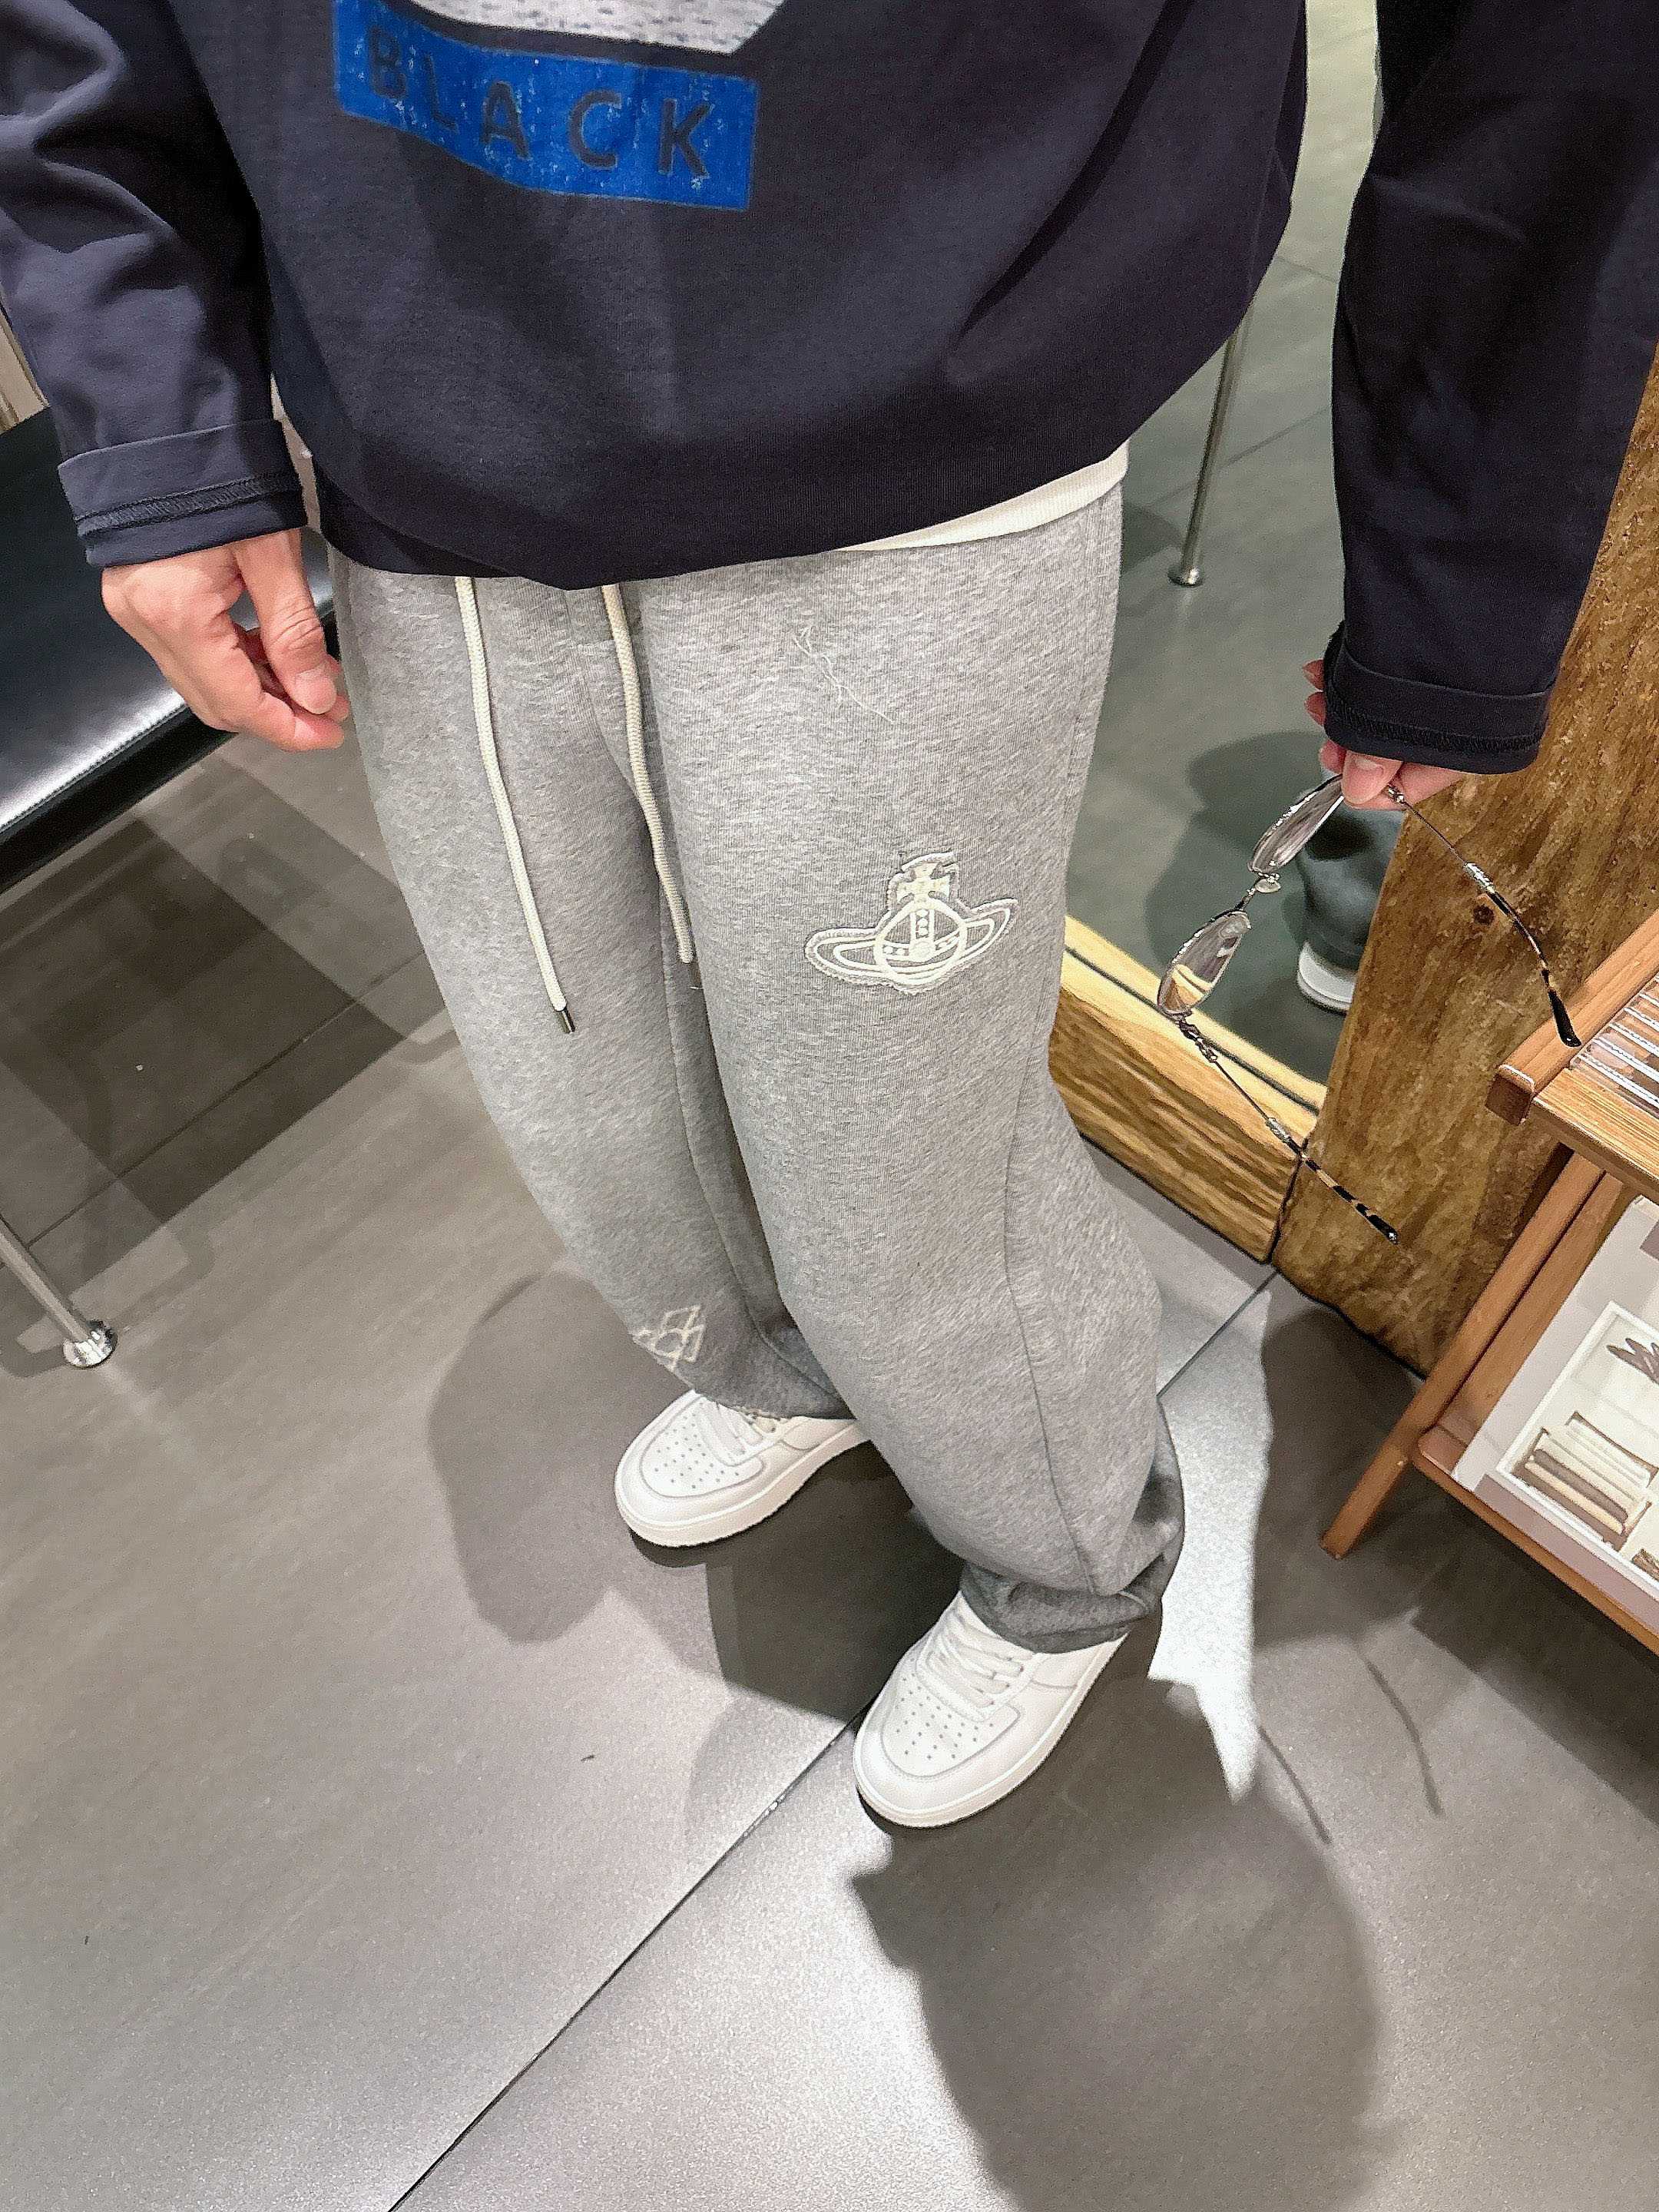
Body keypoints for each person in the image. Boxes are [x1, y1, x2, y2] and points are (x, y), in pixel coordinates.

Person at [2, 1, 1653, 1829]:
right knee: (584, 1084)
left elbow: (1546, 55)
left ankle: (1066, 1559)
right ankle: (784, 1366)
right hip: (410, 411)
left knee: (899, 1159)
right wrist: (150, 413)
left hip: (921, 417)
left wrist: (1457, 575)